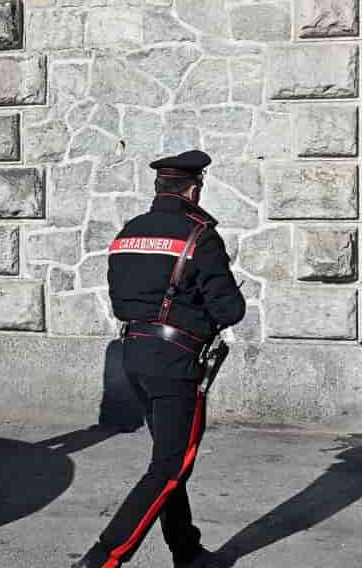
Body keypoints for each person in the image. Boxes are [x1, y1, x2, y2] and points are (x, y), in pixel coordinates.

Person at [73, 150, 246, 568]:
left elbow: (120, 300)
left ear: (159, 187)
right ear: (194, 187)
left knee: (169, 457)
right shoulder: (199, 233)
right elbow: (230, 310)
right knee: (171, 465)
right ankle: (103, 558)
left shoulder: (130, 231)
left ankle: (185, 549)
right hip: (177, 361)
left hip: (134, 353)